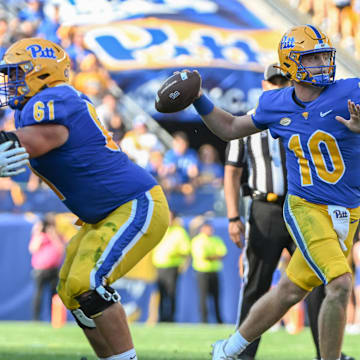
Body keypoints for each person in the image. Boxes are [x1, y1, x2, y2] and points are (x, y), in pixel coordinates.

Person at [189, 24, 360, 360]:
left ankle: (228, 349)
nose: (323, 61)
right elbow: (230, 128)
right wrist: (199, 99)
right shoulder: (274, 103)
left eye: (325, 54)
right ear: (292, 63)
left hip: (349, 209)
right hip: (307, 207)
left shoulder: (352, 90)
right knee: (339, 285)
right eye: (313, 57)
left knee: (289, 289)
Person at [0, 37, 169, 360]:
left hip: (133, 203)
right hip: (104, 214)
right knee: (70, 291)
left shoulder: (54, 98)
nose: (10, 81)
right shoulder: (29, 110)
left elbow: (36, 141)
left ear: (42, 73)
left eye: (16, 73)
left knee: (87, 281)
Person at [224, 63, 353, 360]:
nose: (280, 85)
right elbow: (231, 172)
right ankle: (241, 354)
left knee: (320, 282)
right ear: (263, 84)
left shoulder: (315, 112)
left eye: (284, 79)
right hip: (266, 209)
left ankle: (327, 352)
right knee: (258, 283)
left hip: (308, 206)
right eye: (274, 81)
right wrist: (233, 216)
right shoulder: (253, 121)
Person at [152, 210, 191, 322]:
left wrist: (175, 254)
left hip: (172, 267)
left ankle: (171, 318)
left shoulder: (179, 232)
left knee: (171, 293)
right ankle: (161, 318)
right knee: (161, 293)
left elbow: (185, 250)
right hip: (159, 266)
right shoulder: (159, 230)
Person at [29, 212, 65, 321]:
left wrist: (53, 235)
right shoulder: (39, 236)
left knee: (54, 296)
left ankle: (53, 319)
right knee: (38, 295)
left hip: (53, 269)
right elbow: (33, 249)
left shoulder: (57, 235)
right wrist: (37, 232)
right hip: (40, 270)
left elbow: (61, 250)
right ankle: (36, 319)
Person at [191, 219, 227, 324]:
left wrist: (212, 256)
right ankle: (204, 321)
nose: (209, 230)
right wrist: (215, 256)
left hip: (214, 271)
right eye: (207, 228)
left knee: (216, 297)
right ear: (202, 229)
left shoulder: (216, 239)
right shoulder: (198, 240)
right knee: (203, 298)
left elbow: (223, 254)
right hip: (202, 272)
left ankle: (219, 320)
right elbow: (204, 257)